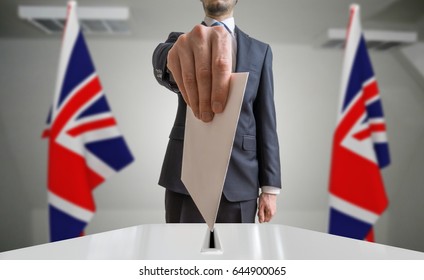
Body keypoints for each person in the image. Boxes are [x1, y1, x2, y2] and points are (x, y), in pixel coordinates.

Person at [152, 0, 281, 224]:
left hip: (241, 179)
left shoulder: (260, 51)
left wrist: (270, 188)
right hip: (186, 177)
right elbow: (163, 58)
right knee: (179, 253)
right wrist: (174, 56)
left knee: (237, 256)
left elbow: (266, 121)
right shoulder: (180, 43)